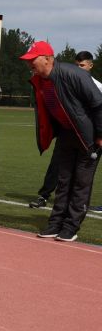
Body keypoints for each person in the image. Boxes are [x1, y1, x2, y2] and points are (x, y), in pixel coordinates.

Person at [21, 41, 102, 242]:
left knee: (80, 183)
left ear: (48, 59)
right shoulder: (40, 80)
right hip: (67, 134)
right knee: (64, 181)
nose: (29, 64)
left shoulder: (74, 74)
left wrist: (100, 136)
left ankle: (71, 227)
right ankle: (55, 223)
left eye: (33, 60)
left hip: (89, 138)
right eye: (27, 60)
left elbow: (99, 104)